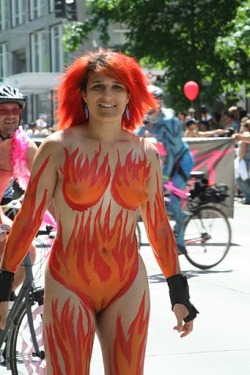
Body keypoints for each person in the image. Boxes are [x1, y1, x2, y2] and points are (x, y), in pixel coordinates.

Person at [0, 49, 198, 375]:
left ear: (130, 94)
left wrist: (179, 292)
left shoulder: (145, 153)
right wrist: (3, 288)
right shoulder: (57, 147)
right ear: (83, 94)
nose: (108, 95)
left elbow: (159, 226)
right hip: (69, 282)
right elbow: (29, 217)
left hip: (128, 282)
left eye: (117, 87)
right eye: (98, 86)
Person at [135, 85, 194, 255]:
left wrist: (166, 175)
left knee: (174, 200)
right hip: (168, 160)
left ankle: (181, 241)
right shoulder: (147, 118)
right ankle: (175, 219)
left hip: (181, 159)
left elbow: (172, 150)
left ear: (159, 102)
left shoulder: (169, 119)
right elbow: (134, 138)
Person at [0, 84, 38, 291]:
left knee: (27, 252)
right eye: (3, 111)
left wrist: (66, 225)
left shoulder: (25, 147)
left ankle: (4, 317)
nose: (10, 116)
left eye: (15, 110)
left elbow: (47, 187)